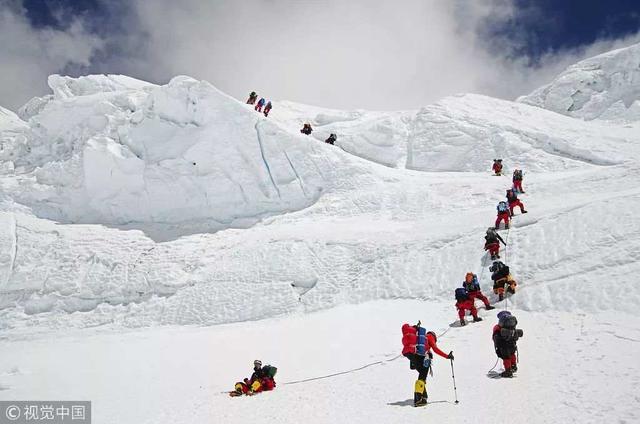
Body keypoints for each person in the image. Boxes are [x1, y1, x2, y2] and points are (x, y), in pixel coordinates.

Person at [402, 322, 453, 407]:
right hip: (422, 357)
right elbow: (435, 349)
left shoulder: (419, 339)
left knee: (421, 375)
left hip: (409, 353)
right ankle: (418, 399)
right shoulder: (430, 337)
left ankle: (423, 396)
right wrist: (447, 356)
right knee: (422, 376)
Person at [492, 311, 523, 377]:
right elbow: (517, 336)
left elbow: (496, 338)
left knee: (506, 357)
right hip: (512, 344)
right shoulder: (512, 327)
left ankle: (508, 371)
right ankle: (513, 367)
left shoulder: (498, 327)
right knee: (512, 354)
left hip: (504, 346)